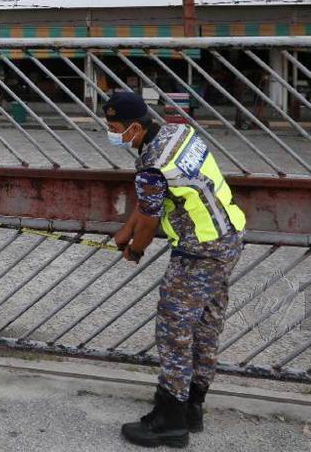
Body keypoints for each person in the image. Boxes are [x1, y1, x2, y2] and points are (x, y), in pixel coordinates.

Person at [103, 91, 246, 448]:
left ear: (135, 127)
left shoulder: (152, 165)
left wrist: (134, 250)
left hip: (199, 251)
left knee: (174, 330)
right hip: (228, 236)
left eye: (115, 127)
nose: (111, 133)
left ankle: (170, 422)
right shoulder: (177, 134)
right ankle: (191, 406)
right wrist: (124, 233)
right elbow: (152, 200)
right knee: (206, 324)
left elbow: (150, 219)